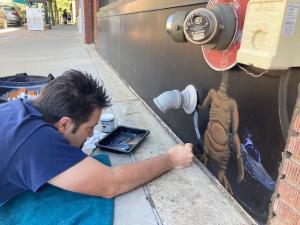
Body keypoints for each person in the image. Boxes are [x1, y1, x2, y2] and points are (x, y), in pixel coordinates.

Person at [0, 70, 194, 206]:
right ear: (65, 124)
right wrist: (171, 159)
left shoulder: (16, 108)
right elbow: (111, 184)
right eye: (89, 128)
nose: (91, 135)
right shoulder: (37, 141)